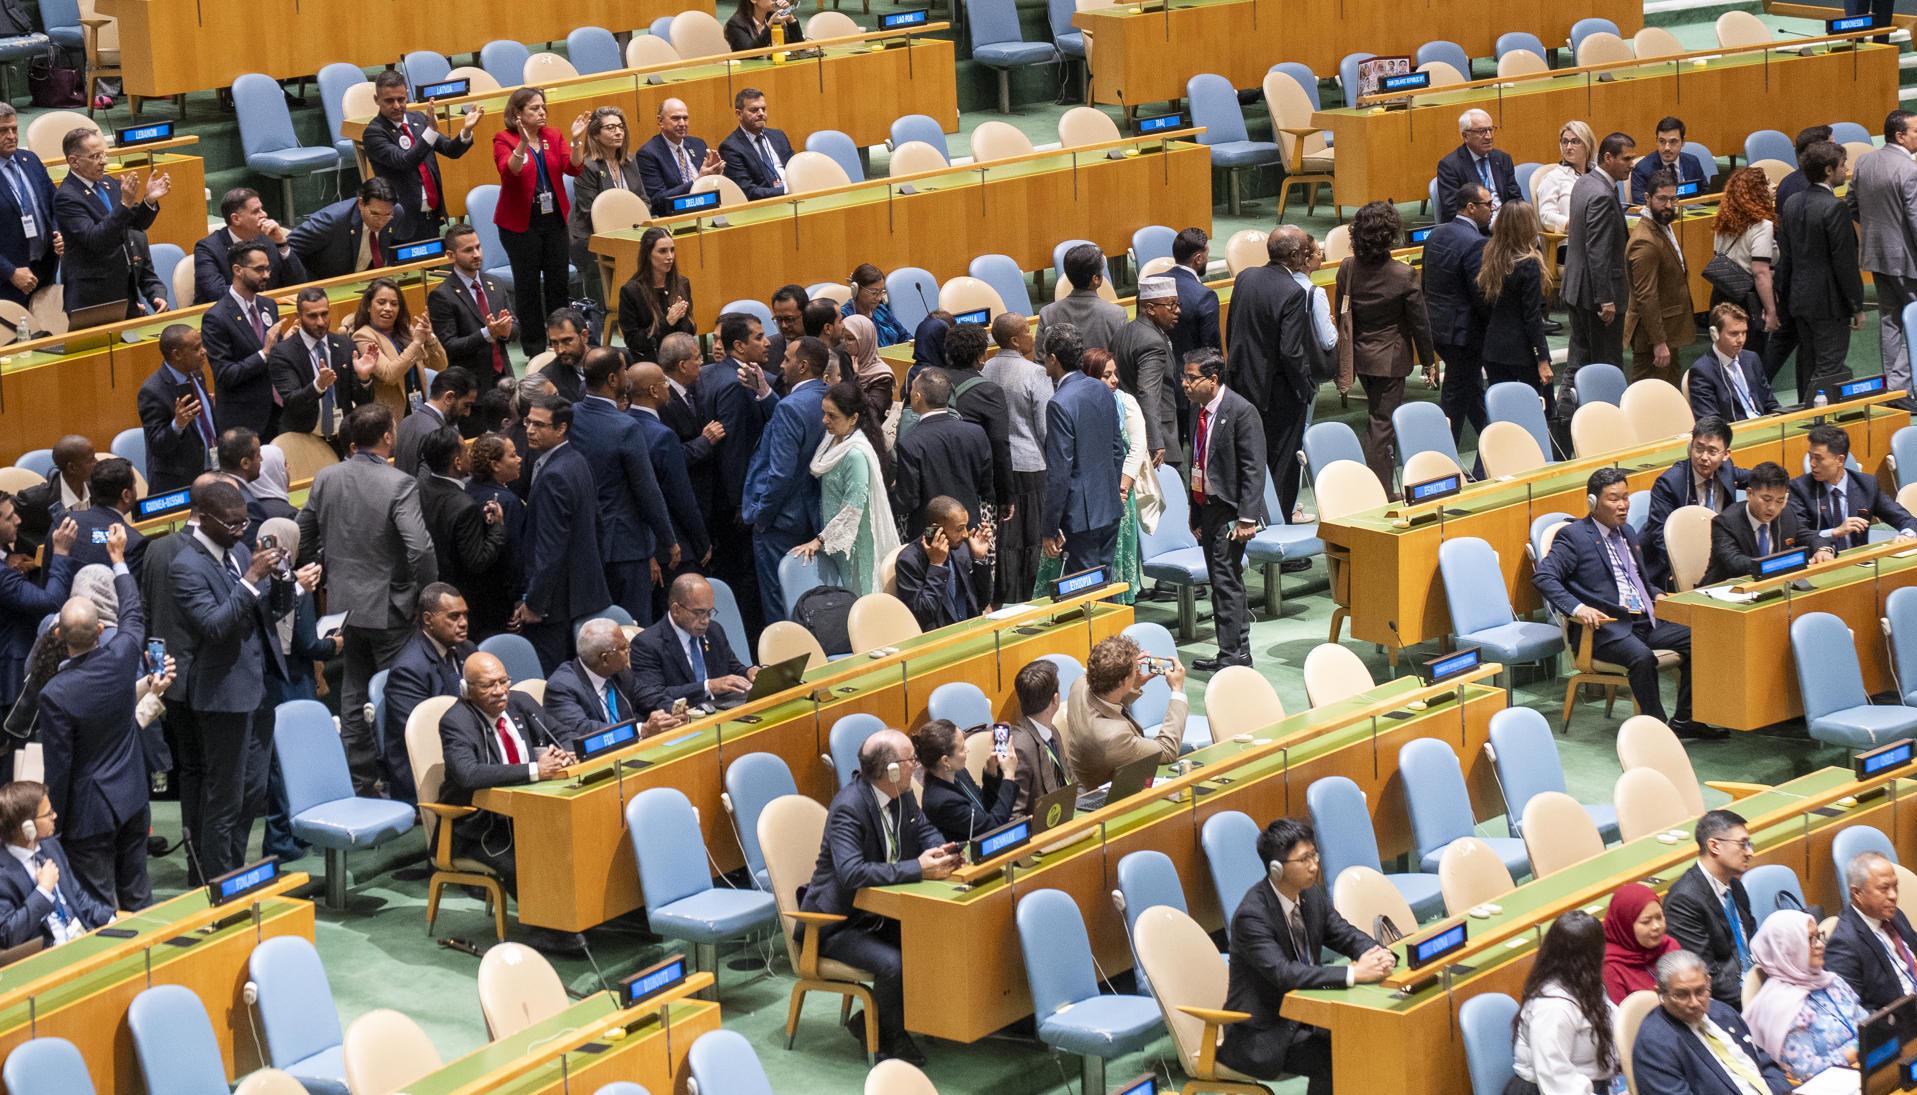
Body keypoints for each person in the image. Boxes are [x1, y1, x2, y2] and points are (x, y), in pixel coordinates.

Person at [296, 404, 437, 796]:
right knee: (400, 693)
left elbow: (300, 532)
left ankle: (360, 780)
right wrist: (425, 596)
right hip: (391, 606)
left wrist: (323, 568)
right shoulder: (399, 483)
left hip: (343, 606)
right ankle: (405, 781)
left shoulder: (326, 477)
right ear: (388, 437)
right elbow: (420, 548)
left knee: (354, 693)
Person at [799, 729, 957, 1065]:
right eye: (911, 759)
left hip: (883, 913)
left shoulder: (902, 795)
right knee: (893, 965)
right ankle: (894, 1037)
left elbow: (924, 830)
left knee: (936, 940)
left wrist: (941, 850)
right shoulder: (849, 807)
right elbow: (852, 873)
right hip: (839, 924)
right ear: (892, 770)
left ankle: (879, 1021)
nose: (917, 765)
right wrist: (917, 868)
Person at [1216, 816, 1395, 1089]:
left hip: (1307, 1015)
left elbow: (1343, 933)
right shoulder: (1252, 916)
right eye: (1304, 859)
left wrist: (1378, 953)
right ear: (1276, 869)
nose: (1314, 866)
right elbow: (1284, 974)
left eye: (1314, 855)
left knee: (1364, 1034)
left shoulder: (1310, 895)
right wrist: (1353, 973)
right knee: (1334, 1055)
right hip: (1263, 1032)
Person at [35, 524, 150, 910]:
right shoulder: (122, 656)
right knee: (139, 898)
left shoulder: (54, 694)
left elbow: (59, 768)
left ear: (58, 635)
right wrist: (118, 560)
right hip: (133, 796)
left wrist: (54, 823)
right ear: (101, 629)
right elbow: (132, 611)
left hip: (90, 814)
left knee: (99, 910)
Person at [1533, 467, 1698, 731]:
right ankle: (1657, 729)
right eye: (1614, 499)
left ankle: (1687, 720)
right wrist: (1578, 608)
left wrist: (1655, 593)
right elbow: (1544, 577)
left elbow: (1637, 579)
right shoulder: (1574, 536)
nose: (1623, 505)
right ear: (1593, 502)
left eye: (1625, 497)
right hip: (1606, 630)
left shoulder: (1628, 531)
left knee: (1701, 638)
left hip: (1645, 621)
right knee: (1642, 658)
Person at [172, 481, 281, 877]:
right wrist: (251, 578)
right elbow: (215, 626)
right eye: (232, 524)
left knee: (253, 792)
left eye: (244, 522)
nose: (240, 531)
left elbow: (266, 611)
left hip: (258, 688)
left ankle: (236, 870)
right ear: (205, 518)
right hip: (222, 695)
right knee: (225, 798)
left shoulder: (238, 552)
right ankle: (219, 882)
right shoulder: (186, 566)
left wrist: (284, 579)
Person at [435, 652, 579, 952]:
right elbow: (468, 774)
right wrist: (534, 770)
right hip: (478, 825)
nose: (500, 691)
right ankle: (548, 931)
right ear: (467, 690)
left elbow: (563, 733)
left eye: (504, 681)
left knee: (574, 841)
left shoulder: (521, 703)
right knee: (524, 860)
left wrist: (565, 752)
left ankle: (579, 916)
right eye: (489, 685)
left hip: (529, 812)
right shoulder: (456, 721)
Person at [571, 347, 678, 626]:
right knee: (632, 628)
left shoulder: (571, 416)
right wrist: (668, 539)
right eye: (623, 372)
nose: (627, 377)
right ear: (612, 379)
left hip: (586, 542)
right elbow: (647, 490)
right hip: (625, 544)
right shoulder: (625, 427)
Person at [1334, 201, 1436, 489]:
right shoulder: (1404, 274)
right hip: (1390, 362)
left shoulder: (1347, 268)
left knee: (1379, 422)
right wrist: (1428, 361)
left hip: (1359, 358)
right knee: (1382, 426)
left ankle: (1378, 485)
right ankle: (1380, 491)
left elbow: (1342, 316)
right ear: (1391, 235)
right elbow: (1420, 323)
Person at [514, 395, 611, 669]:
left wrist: (535, 603)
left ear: (561, 429)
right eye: (528, 422)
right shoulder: (577, 460)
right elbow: (598, 526)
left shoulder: (554, 476)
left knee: (556, 677)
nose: (530, 430)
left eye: (539, 425)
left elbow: (550, 549)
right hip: (583, 594)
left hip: (556, 605)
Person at [1182, 350, 1265, 670]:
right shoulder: (1198, 410)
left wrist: (1247, 518)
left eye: (1191, 378)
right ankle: (1235, 651)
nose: (1185, 384)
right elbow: (1197, 461)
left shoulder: (1241, 411)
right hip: (1207, 508)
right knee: (1224, 580)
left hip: (1230, 511)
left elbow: (1253, 468)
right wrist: (1195, 510)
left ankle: (1233, 656)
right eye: (1184, 377)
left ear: (1213, 380)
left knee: (1225, 581)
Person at [1227, 227, 1314, 520]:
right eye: (1304, 252)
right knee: (1283, 465)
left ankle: (1251, 519)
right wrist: (1304, 387)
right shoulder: (1293, 292)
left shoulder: (1245, 277)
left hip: (1242, 385)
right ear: (1294, 256)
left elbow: (1233, 331)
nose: (1306, 257)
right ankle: (1278, 526)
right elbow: (1291, 351)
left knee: (1249, 459)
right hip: (1279, 394)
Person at [741, 337, 828, 623]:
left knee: (780, 606)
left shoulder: (789, 408)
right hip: (812, 518)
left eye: (787, 359)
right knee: (810, 603)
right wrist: (767, 395)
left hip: (780, 522)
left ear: (802, 366)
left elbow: (780, 474)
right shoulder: (826, 397)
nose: (781, 364)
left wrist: (762, 516)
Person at [493, 90, 584, 358]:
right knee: (528, 286)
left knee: (558, 283)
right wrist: (522, 143)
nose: (542, 112)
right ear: (517, 113)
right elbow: (510, 171)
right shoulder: (504, 139)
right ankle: (534, 348)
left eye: (543, 107)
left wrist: (577, 141)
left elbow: (573, 168)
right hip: (520, 224)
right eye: (534, 108)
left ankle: (562, 340)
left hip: (553, 219)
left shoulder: (552, 135)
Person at [700, 314, 777, 629]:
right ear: (739, 346)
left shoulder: (709, 373)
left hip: (716, 495)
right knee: (743, 578)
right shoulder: (737, 384)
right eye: (758, 337)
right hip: (735, 501)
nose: (767, 342)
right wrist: (741, 503)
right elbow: (736, 449)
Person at [790, 381, 897, 596]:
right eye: (824, 413)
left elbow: (853, 507)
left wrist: (819, 540)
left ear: (853, 418)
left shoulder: (855, 454)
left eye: (832, 416)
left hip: (854, 545)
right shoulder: (831, 440)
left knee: (855, 599)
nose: (824, 420)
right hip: (834, 538)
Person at [1631, 950, 1790, 1095]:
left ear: (1708, 982)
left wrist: (1782, 1091)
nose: (1694, 1003)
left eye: (1700, 991)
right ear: (1661, 994)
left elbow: (1763, 1061)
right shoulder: (1653, 1045)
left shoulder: (1722, 1011)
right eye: (1681, 995)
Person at [1777, 141, 1864, 399]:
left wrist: (1785, 297)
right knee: (1829, 366)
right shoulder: (1835, 207)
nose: (1845, 169)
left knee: (1808, 360)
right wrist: (1856, 305)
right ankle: (1820, 417)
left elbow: (1786, 257)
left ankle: (1806, 412)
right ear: (1828, 170)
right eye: (1842, 165)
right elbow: (1844, 262)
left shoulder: (1792, 203)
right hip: (1829, 302)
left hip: (1799, 298)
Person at [1040, 324, 1126, 577]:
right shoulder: (1101, 388)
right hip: (1109, 506)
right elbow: (1117, 450)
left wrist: (1050, 527)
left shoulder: (1059, 403)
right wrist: (1110, 491)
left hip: (1079, 517)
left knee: (1086, 589)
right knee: (1105, 582)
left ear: (1053, 358)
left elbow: (1060, 472)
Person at [1746, 909, 1865, 1085]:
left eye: (1819, 936)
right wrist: (1855, 1052)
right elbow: (1805, 1071)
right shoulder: (1781, 1008)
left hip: (1866, 1066)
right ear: (1788, 949)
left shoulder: (1829, 980)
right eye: (1810, 939)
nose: (1820, 945)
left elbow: (1867, 1023)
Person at [378, 582, 474, 803]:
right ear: (428, 619)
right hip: (426, 768)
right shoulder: (408, 669)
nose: (463, 623)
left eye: (465, 615)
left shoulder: (467, 650)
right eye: (454, 616)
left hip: (462, 751)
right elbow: (424, 735)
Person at [54, 127, 166, 316]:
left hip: (124, 287)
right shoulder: (67, 197)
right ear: (74, 161)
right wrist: (124, 204)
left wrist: (149, 200)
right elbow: (96, 239)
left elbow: (135, 224)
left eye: (104, 154)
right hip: (92, 297)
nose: (103, 161)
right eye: (95, 156)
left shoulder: (109, 184)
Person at [1511, 911, 1623, 1095]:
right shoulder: (1552, 1008)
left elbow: (1617, 1030)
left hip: (1594, 1085)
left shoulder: (1588, 986)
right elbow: (1556, 1081)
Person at [1849, 111, 1917, 405]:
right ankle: (1901, 385)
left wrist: (1878, 231)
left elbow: (1851, 204)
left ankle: (1894, 389)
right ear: (1900, 135)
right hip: (1907, 260)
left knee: (1891, 320)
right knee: (1913, 320)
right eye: (1916, 131)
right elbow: (1915, 220)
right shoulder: (1909, 170)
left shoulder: (1865, 161)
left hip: (1876, 255)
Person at [1561, 132, 1634, 407]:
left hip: (1576, 289)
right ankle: (1606, 417)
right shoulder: (1602, 194)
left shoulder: (1585, 182)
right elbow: (1598, 250)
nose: (1631, 164)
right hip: (1596, 297)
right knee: (1606, 367)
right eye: (1626, 159)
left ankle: (1564, 416)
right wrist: (1606, 299)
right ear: (1608, 158)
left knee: (1578, 362)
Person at [363, 69, 479, 241]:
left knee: (434, 257)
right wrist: (431, 130)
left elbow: (450, 150)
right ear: (376, 99)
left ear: (407, 95)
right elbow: (405, 161)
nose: (397, 106)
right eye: (389, 100)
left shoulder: (417, 119)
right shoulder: (374, 133)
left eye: (401, 99)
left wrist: (466, 131)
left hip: (432, 215)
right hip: (402, 221)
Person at [0, 781, 115, 948]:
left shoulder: (50, 846)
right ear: (26, 827)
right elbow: (7, 935)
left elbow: (78, 898)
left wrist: (113, 921)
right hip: (45, 955)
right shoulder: (3, 873)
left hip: (80, 940)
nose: (54, 816)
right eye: (47, 814)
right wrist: (43, 891)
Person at [983, 312, 1048, 603]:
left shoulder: (985, 368)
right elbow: (1045, 426)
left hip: (999, 464)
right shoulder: (1035, 373)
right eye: (1026, 331)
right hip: (1032, 464)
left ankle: (1004, 594)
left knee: (1006, 536)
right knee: (1032, 536)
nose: (1031, 335)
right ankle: (1031, 595)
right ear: (1014, 340)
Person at [1065, 634, 1185, 791]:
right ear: (1122, 681)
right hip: (1108, 796)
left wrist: (1132, 685)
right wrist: (1177, 690)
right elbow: (1167, 750)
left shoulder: (1080, 684)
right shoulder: (1115, 737)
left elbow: (1108, 701)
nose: (1137, 671)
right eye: (1134, 670)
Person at [1662, 809, 1756, 1007]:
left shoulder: (1735, 886)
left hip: (1754, 986)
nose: (1750, 852)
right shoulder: (1684, 900)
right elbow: (1706, 976)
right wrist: (1755, 1000)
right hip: (1727, 1004)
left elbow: (1754, 943)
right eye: (1743, 844)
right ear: (1714, 846)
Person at [1644, 417, 1751, 589]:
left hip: (1719, 558)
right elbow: (1660, 537)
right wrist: (1689, 564)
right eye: (1698, 449)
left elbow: (1757, 479)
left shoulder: (1726, 470)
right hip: (1676, 566)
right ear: (1690, 447)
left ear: (1726, 455)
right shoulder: (1670, 484)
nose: (1704, 457)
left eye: (1712, 451)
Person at [624, 361, 710, 573]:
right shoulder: (663, 436)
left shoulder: (622, 424)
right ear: (654, 391)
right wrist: (702, 541)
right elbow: (681, 495)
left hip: (637, 541)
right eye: (664, 382)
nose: (668, 387)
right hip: (673, 544)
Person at [1424, 181, 1492, 447]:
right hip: (1464, 334)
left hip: (1438, 328)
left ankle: (1493, 439)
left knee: (1471, 390)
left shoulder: (1436, 233)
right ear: (1471, 207)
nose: (1492, 209)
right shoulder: (1476, 243)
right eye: (1488, 204)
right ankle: (1444, 454)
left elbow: (1426, 282)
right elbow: (1480, 294)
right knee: (1454, 398)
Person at [629, 574, 756, 713]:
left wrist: (749, 672)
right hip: (683, 718)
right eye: (698, 612)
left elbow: (733, 667)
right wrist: (708, 686)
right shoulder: (646, 644)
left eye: (709, 612)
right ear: (676, 610)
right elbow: (653, 696)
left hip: (721, 712)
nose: (705, 620)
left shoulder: (714, 631)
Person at [269, 286, 375, 448]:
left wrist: (363, 378)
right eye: (312, 316)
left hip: (342, 440)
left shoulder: (344, 344)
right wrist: (318, 386)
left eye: (324, 314)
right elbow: (293, 402)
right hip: (303, 440)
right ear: (298, 317)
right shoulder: (283, 353)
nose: (320, 322)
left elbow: (363, 402)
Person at [200, 240, 287, 438]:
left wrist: (285, 346)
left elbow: (276, 354)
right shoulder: (216, 318)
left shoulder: (269, 305)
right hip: (243, 422)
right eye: (259, 269)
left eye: (267, 268)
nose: (266, 275)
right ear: (238, 270)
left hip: (277, 413)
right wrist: (264, 353)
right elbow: (225, 375)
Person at [544, 618, 681, 742]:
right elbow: (583, 730)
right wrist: (641, 730)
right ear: (605, 658)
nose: (628, 650)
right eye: (623, 647)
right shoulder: (561, 687)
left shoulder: (620, 672)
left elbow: (651, 697)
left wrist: (674, 711)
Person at [894, 369, 992, 536]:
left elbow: (907, 501)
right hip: (968, 528)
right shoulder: (976, 433)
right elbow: (986, 486)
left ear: (917, 397)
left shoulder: (910, 443)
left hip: (931, 535)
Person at [0, 497, 71, 724]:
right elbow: (50, 602)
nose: (18, 520)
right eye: (9, 517)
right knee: (19, 742)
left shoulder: (5, 559)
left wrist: (7, 557)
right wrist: (60, 553)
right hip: (11, 677)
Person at [1791, 422, 1917, 549]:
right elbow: (1798, 535)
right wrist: (1834, 532)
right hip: (1820, 558)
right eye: (1810, 457)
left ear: (1840, 460)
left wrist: (1906, 535)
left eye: (1818, 458)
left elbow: (1906, 519)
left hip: (1859, 559)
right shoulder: (1800, 488)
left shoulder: (1866, 485)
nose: (1812, 463)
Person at [566, 106, 646, 303]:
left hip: (630, 232)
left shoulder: (630, 161)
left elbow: (644, 201)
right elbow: (590, 212)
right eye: (610, 128)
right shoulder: (587, 166)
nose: (618, 132)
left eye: (620, 127)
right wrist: (628, 228)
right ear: (595, 134)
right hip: (592, 237)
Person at [938, 323, 1013, 526]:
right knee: (976, 543)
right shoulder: (990, 392)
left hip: (932, 482)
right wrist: (1006, 496)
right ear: (981, 355)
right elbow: (1000, 445)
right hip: (974, 490)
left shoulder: (928, 381)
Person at [1825, 850, 1917, 1014]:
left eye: (1895, 886)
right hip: (1902, 1020)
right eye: (1884, 888)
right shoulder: (1844, 944)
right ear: (1857, 893)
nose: (1893, 895)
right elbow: (1852, 1012)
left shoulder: (1894, 915)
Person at [1625, 169, 1695, 385]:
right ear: (1647, 198)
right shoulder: (1645, 242)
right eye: (1662, 199)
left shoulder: (1663, 226)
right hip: (1653, 337)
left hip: (1668, 331)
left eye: (1673, 199)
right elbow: (1646, 296)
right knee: (1646, 394)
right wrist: (1659, 341)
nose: (1668, 205)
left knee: (1669, 391)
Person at [417, 426, 506, 594]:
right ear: (457, 463)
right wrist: (497, 527)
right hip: (457, 591)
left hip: (427, 584)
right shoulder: (466, 507)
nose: (470, 454)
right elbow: (477, 562)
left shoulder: (419, 487)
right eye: (466, 451)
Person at [1095, 348, 1152, 606]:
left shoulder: (1125, 401)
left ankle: (1120, 604)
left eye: (1115, 373)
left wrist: (1123, 486)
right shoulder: (1087, 403)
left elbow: (1137, 447)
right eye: (1106, 375)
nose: (1114, 380)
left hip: (1120, 489)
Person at [1709, 168, 1783, 367]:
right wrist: (1771, 311)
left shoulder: (1723, 219)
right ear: (1756, 191)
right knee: (1750, 360)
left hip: (1721, 296)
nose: (1774, 186)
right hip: (1748, 303)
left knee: (1726, 360)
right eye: (1767, 183)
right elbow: (1760, 273)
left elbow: (1717, 257)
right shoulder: (1762, 226)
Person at [349, 276, 449, 419]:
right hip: (390, 418)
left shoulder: (406, 330)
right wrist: (416, 344)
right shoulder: (363, 336)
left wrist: (430, 338)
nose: (388, 308)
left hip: (420, 408)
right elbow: (389, 375)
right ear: (369, 306)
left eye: (394, 304)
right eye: (381, 302)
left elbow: (440, 365)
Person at [429, 224, 516, 382]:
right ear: (451, 255)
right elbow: (449, 346)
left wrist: (506, 331)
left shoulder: (495, 283)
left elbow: (515, 325)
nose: (476, 254)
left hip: (505, 376)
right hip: (469, 384)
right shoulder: (441, 296)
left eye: (478, 247)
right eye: (468, 250)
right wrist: (487, 334)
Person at [893, 495, 993, 631]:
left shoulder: (961, 549)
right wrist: (936, 566)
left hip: (970, 630)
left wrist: (979, 558)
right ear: (936, 530)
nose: (965, 535)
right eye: (959, 529)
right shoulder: (908, 561)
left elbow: (983, 601)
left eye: (965, 527)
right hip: (938, 637)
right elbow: (922, 615)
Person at [192, 186, 304, 305]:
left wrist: (281, 243)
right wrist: (268, 300)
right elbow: (216, 292)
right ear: (236, 219)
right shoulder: (208, 248)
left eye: (262, 209)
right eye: (256, 211)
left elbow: (299, 282)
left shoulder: (269, 239)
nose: (264, 214)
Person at [1111, 277, 1180, 469]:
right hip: (1157, 436)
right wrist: (1155, 441)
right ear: (1150, 308)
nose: (1177, 310)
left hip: (1129, 430)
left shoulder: (1122, 333)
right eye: (1171, 305)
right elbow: (1147, 392)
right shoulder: (1152, 342)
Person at [914, 719, 1017, 845]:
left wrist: (991, 773)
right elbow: (993, 829)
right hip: (970, 854)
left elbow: (983, 807)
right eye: (962, 748)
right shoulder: (942, 801)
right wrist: (1009, 776)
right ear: (945, 761)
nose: (967, 750)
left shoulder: (957, 773)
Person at [463, 433, 526, 638]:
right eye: (513, 455)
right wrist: (519, 599)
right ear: (495, 465)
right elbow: (514, 556)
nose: (519, 459)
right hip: (501, 600)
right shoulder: (508, 502)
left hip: (472, 595)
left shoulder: (466, 489)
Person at [0, 104, 60, 308]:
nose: (11, 136)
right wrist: (10, 272)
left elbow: (55, 203)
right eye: (3, 130)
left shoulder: (30, 160)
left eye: (14, 129)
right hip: (7, 281)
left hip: (45, 267)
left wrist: (59, 232)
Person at [286, 177, 400, 283]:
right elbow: (288, 249)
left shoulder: (397, 214)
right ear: (361, 203)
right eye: (374, 214)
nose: (381, 222)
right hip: (324, 285)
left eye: (387, 214)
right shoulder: (332, 221)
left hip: (365, 284)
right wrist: (311, 285)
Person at [1689, 304, 1779, 425]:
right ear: (1714, 334)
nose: (1741, 340)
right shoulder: (1702, 371)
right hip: (1733, 432)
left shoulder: (1751, 359)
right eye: (1734, 333)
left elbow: (1770, 403)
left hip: (1763, 425)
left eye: (1744, 332)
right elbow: (1709, 421)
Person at [616, 227, 695, 363]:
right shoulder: (631, 291)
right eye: (662, 251)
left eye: (672, 250)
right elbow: (633, 341)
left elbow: (690, 331)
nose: (670, 257)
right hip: (650, 360)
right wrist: (667, 323)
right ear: (648, 254)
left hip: (680, 358)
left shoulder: (682, 283)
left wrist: (682, 320)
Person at [635, 98, 724, 217]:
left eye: (685, 118)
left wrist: (715, 175)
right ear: (660, 121)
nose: (682, 123)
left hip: (706, 209)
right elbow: (657, 200)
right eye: (675, 118)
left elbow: (710, 187)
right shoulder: (648, 153)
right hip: (675, 216)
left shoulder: (698, 144)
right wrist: (697, 181)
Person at [1004, 658, 1071, 814]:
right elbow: (1014, 815)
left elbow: (1069, 778)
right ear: (1055, 699)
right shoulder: (1020, 747)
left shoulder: (1052, 731)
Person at [61, 458, 145, 576]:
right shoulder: (134, 543)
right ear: (126, 495)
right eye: (134, 485)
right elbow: (129, 587)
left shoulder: (64, 525)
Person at [1435, 108, 1521, 222]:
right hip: (1476, 227)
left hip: (1506, 222)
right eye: (1481, 131)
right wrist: (1491, 224)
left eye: (1490, 129)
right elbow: (1453, 211)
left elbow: (1515, 197)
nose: (1489, 136)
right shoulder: (1449, 166)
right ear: (1465, 136)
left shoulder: (1503, 159)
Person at [1036, 244, 1125, 351]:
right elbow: (1124, 357)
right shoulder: (1117, 314)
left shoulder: (1047, 314)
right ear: (1096, 279)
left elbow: (1040, 359)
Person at [1603, 882, 1680, 1003]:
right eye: (1646, 922)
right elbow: (1622, 1013)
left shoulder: (1670, 946)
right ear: (1626, 925)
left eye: (1659, 917)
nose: (1656, 926)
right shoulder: (1611, 968)